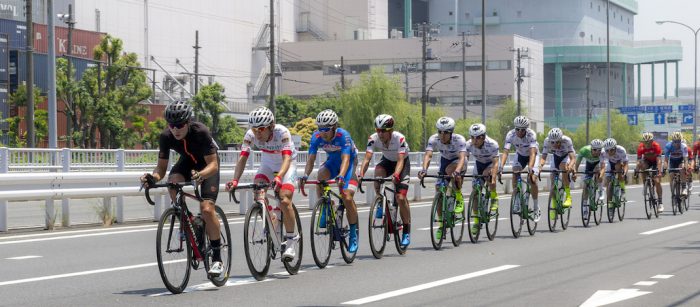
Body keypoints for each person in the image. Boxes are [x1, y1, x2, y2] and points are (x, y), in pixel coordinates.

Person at [140, 100, 223, 276]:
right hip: (187, 162)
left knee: (207, 209)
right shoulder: (166, 136)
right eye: (172, 125)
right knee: (173, 181)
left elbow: (213, 165)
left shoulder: (200, 131)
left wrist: (201, 175)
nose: (175, 130)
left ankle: (217, 258)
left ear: (188, 122)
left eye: (179, 125)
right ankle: (192, 221)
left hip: (207, 166)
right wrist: (153, 177)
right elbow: (161, 168)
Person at [226, 106, 299, 261]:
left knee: (285, 200)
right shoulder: (250, 135)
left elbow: (287, 158)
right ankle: (273, 216)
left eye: (261, 129)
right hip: (267, 163)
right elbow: (243, 158)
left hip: (287, 164)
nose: (257, 133)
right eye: (254, 129)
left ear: (271, 126)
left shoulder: (282, 132)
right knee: (258, 189)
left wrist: (279, 176)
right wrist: (235, 180)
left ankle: (292, 241)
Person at [300, 109, 360, 253]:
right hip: (333, 162)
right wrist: (305, 176)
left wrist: (341, 175)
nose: (323, 133)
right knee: (320, 177)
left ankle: (353, 233)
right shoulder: (316, 137)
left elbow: (346, 159)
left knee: (346, 196)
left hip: (349, 163)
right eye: (320, 129)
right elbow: (311, 159)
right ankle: (327, 206)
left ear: (333, 127)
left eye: (326, 129)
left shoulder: (343, 136)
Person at [357, 114, 412, 248]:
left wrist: (397, 175)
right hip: (387, 161)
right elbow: (367, 158)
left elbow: (400, 160)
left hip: (402, 164)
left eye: (383, 131)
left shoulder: (399, 138)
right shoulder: (373, 139)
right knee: (378, 174)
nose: (380, 134)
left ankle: (406, 230)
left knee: (400, 197)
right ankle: (380, 200)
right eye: (378, 130)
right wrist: (361, 173)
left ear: (390, 131)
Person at [418, 117, 467, 238]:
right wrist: (424, 169)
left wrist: (457, 171)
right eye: (440, 131)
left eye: (446, 132)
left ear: (451, 132)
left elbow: (462, 157)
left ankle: (459, 196)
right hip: (445, 161)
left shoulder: (459, 139)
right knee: (438, 190)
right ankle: (441, 225)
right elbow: (428, 155)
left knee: (451, 171)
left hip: (458, 161)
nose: (442, 135)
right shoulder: (433, 139)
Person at [499, 116, 540, 221]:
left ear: (526, 129)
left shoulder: (531, 135)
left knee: (532, 180)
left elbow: (532, 153)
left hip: (532, 156)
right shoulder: (510, 134)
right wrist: (501, 167)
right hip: (520, 155)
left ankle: (536, 208)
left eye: (522, 130)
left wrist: (530, 167)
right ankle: (517, 200)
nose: (520, 132)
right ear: (515, 128)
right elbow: (506, 152)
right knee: (515, 172)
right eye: (518, 129)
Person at [465, 123, 500, 234]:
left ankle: (494, 197)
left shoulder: (492, 144)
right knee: (475, 192)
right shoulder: (468, 145)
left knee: (488, 176)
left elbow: (495, 164)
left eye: (478, 138)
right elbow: (464, 160)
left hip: (491, 164)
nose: (475, 140)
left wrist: (493, 178)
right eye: (472, 137)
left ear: (484, 137)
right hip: (479, 164)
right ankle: (476, 221)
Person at [538, 128, 576, 208]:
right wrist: (540, 166)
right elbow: (544, 157)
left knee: (563, 167)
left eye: (558, 142)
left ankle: (568, 197)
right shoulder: (547, 141)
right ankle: (554, 204)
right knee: (552, 182)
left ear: (561, 139)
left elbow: (573, 158)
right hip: (556, 157)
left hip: (566, 156)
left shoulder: (567, 140)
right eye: (553, 142)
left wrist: (570, 166)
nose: (555, 144)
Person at [574, 139, 606, 217]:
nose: (597, 152)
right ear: (591, 148)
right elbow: (577, 164)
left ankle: (601, 189)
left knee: (598, 173)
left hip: (597, 164)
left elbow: (603, 168)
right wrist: (575, 173)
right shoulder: (584, 150)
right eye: (595, 150)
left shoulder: (603, 153)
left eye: (599, 150)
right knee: (586, 184)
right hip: (589, 164)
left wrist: (601, 176)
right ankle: (585, 207)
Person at [636, 132, 664, 212]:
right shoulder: (641, 147)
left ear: (652, 141)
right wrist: (636, 170)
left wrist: (658, 171)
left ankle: (660, 202)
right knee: (642, 165)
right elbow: (638, 161)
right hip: (647, 161)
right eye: (645, 142)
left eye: (649, 142)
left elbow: (659, 161)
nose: (647, 144)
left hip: (655, 162)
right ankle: (645, 183)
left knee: (657, 181)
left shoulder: (656, 146)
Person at [662, 131, 690, 197]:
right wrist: (664, 169)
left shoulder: (684, 146)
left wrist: (685, 169)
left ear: (681, 141)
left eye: (679, 141)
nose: (677, 143)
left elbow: (686, 159)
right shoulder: (668, 146)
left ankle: (684, 188)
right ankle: (672, 193)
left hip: (681, 160)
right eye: (675, 141)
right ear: (672, 141)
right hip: (673, 161)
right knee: (671, 175)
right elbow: (666, 160)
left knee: (682, 168)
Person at [602, 138, 629, 204]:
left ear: (615, 148)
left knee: (618, 170)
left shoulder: (621, 150)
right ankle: (609, 203)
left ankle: (622, 189)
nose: (609, 152)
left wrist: (624, 173)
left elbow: (625, 163)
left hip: (620, 162)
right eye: (607, 150)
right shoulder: (603, 152)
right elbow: (601, 164)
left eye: (612, 150)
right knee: (608, 182)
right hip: (610, 163)